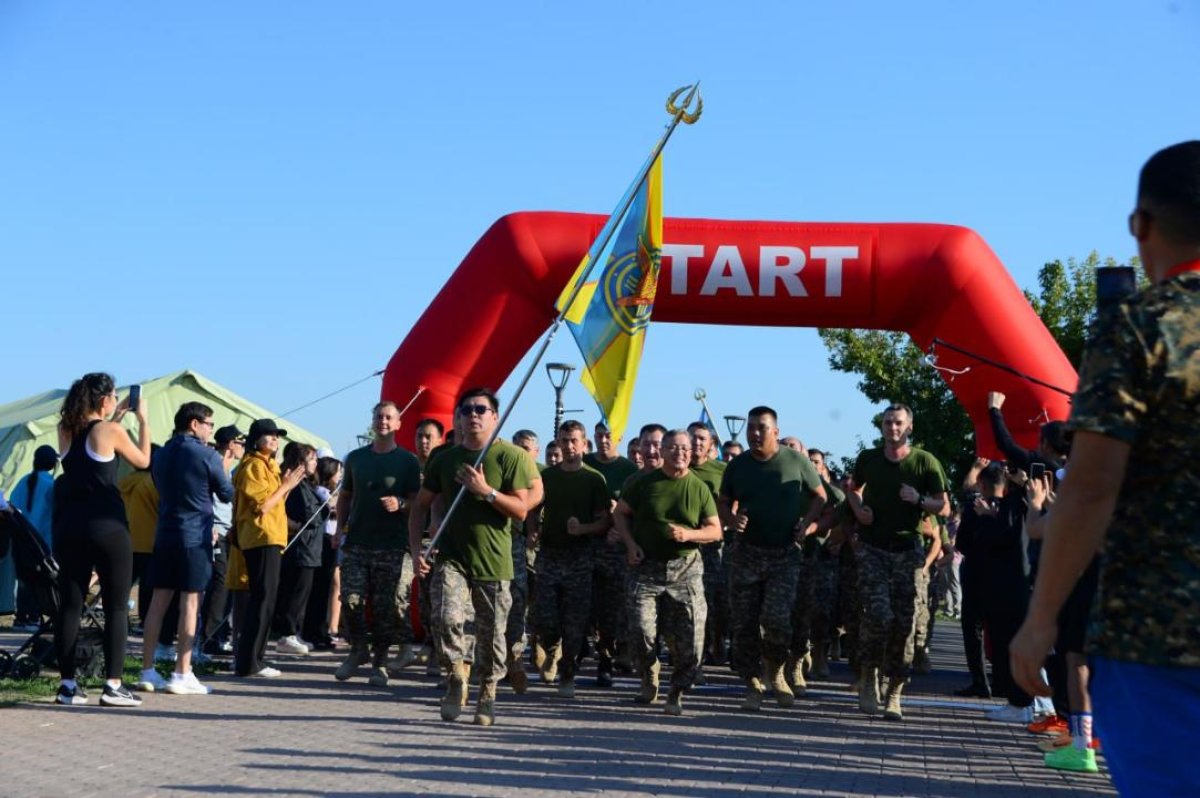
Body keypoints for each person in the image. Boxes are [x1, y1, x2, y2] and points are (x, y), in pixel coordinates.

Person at [1012, 141, 1200, 791]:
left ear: (1140, 225)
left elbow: (1091, 486)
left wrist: (1040, 620)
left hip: (1160, 636)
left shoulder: (1139, 328)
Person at [410, 388, 539, 727]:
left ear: (494, 417)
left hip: (494, 561)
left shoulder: (510, 456)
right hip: (452, 557)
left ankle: (488, 693)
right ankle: (456, 674)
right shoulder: (444, 458)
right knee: (444, 617)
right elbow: (421, 506)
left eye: (481, 409)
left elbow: (521, 510)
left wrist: (486, 491)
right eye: (466, 410)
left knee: (492, 634)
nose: (473, 415)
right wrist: (417, 549)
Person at [53, 373, 150, 707]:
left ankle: (67, 685)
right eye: (114, 396)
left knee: (70, 605)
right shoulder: (110, 430)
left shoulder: (66, 429)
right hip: (107, 526)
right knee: (116, 606)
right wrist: (143, 420)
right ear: (105, 399)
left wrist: (116, 417)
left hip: (70, 526)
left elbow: (93, 450)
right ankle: (113, 685)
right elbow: (143, 460)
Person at [720, 406, 826, 711]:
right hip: (747, 554)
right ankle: (752, 682)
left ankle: (777, 671)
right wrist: (732, 520)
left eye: (761, 428)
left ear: (775, 432)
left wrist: (807, 523)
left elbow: (821, 497)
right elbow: (723, 502)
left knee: (777, 621)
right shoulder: (738, 465)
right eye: (750, 428)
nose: (754, 433)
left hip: (784, 555)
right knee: (744, 625)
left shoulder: (796, 461)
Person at [847, 403, 947, 720]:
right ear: (881, 427)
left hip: (908, 551)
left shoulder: (925, 462)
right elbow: (852, 489)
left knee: (905, 624)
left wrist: (919, 500)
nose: (893, 428)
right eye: (888, 422)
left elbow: (943, 507)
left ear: (909, 427)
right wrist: (859, 509)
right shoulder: (869, 459)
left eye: (899, 423)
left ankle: (894, 691)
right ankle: (868, 676)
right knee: (877, 615)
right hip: (874, 549)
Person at [614, 429, 721, 716]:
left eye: (685, 449)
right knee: (640, 629)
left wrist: (689, 535)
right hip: (646, 567)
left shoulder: (698, 487)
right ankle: (649, 673)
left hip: (685, 568)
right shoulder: (642, 483)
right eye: (673, 448)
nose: (680, 453)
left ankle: (676, 690)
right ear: (662, 451)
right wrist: (630, 544)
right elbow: (620, 513)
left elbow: (715, 530)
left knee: (692, 636)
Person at [137, 402, 234, 695]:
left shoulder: (161, 454)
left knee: (157, 604)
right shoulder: (207, 455)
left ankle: (147, 670)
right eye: (209, 424)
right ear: (195, 423)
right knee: (190, 604)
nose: (211, 430)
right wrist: (224, 466)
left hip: (165, 534)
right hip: (195, 537)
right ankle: (182, 672)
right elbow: (226, 493)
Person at [334, 402, 422, 686]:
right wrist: (339, 529)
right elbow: (345, 496)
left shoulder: (407, 461)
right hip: (357, 541)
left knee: (385, 608)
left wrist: (401, 503)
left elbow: (418, 503)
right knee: (350, 600)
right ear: (372, 421)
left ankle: (380, 662)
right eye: (378, 416)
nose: (383, 421)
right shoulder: (356, 458)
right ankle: (358, 649)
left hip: (391, 545)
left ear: (398, 424)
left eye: (388, 417)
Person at [533, 420, 611, 697]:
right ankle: (551, 648)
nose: (569, 446)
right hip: (549, 555)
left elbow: (605, 521)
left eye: (574, 441)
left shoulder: (594, 479)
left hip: (580, 557)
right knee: (545, 618)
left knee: (575, 622)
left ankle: (567, 673)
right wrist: (532, 530)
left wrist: (584, 529)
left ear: (584, 444)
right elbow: (533, 508)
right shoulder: (547, 476)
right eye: (564, 441)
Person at [233, 419, 306, 678]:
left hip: (271, 537)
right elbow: (262, 506)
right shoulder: (253, 465)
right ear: (256, 439)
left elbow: (276, 503)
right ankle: (248, 663)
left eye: (277, 435)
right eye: (269, 435)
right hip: (259, 537)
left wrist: (286, 487)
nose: (275, 439)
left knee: (267, 599)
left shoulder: (269, 464)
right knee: (261, 599)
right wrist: (286, 485)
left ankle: (256, 659)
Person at [583, 422, 640, 687]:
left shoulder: (629, 471)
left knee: (615, 607)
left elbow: (637, 511)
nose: (604, 440)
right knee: (585, 605)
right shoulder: (584, 465)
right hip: (584, 545)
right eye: (599, 435)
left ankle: (611, 657)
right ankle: (579, 651)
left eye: (608, 435)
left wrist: (622, 527)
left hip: (615, 550)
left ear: (619, 437)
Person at [274, 442, 323, 657]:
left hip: (310, 548)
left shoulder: (307, 485)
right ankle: (287, 633)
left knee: (302, 593)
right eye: (312, 459)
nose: (315, 463)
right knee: (295, 592)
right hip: (301, 548)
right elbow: (308, 515)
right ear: (300, 462)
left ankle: (294, 631)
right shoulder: (297, 487)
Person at [685, 422, 727, 675]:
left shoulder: (722, 471)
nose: (696, 442)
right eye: (692, 437)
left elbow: (735, 500)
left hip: (713, 547)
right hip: (684, 547)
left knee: (715, 602)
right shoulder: (678, 468)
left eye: (702, 438)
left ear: (711, 444)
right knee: (691, 605)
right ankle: (694, 659)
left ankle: (717, 641)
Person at [200, 425, 243, 656]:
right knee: (218, 585)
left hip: (227, 531)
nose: (243, 448)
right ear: (230, 444)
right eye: (241, 443)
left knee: (224, 585)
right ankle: (208, 639)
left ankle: (218, 635)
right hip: (215, 531)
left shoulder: (228, 468)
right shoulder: (215, 463)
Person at [8, 445, 58, 630]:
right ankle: (33, 617)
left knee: (24, 579)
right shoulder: (52, 484)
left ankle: (22, 617)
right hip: (42, 542)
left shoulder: (23, 481)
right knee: (40, 581)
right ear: (53, 464)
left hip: (20, 539)